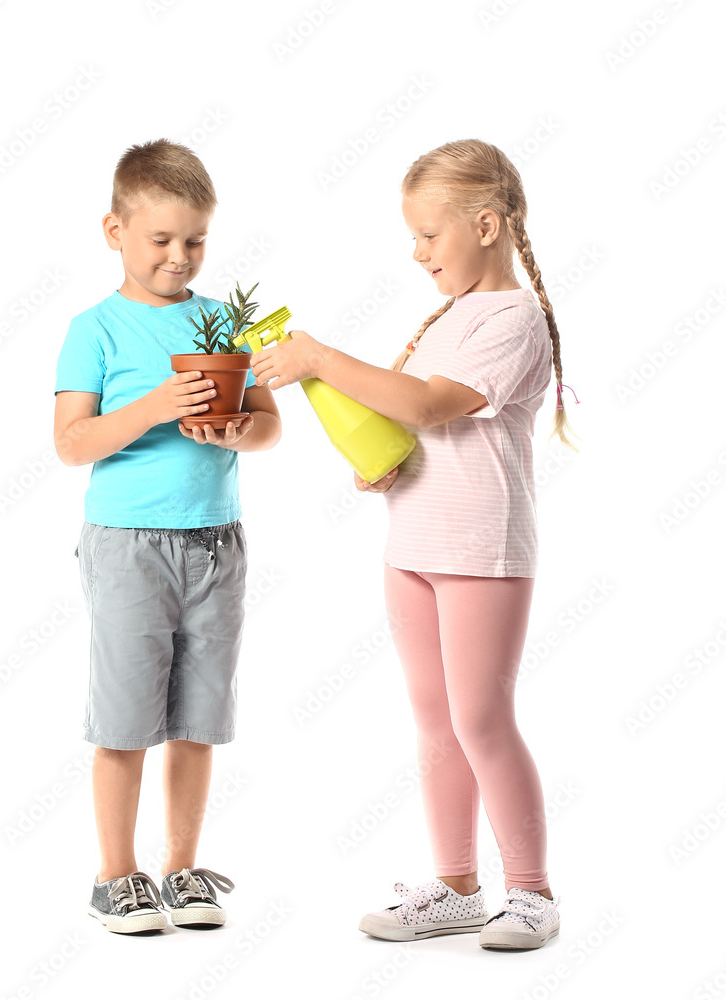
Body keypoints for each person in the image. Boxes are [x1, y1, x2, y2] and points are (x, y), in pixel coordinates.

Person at [250, 138, 578, 951]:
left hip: (480, 549)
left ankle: (531, 892)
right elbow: (411, 421)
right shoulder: (451, 316)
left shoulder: (513, 318)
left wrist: (321, 356)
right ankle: (458, 885)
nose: (417, 251)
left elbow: (431, 404)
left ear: (488, 223)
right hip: (413, 544)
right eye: (413, 237)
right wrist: (383, 464)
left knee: (480, 718)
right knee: (435, 722)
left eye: (430, 235)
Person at [53, 139, 281, 934]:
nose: (179, 256)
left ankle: (181, 869)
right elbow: (71, 443)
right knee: (124, 719)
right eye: (161, 239)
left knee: (197, 717)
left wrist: (231, 432)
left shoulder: (223, 322)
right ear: (114, 230)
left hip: (216, 544)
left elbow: (268, 428)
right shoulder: (96, 329)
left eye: (196, 240)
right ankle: (116, 875)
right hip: (127, 546)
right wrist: (152, 407)